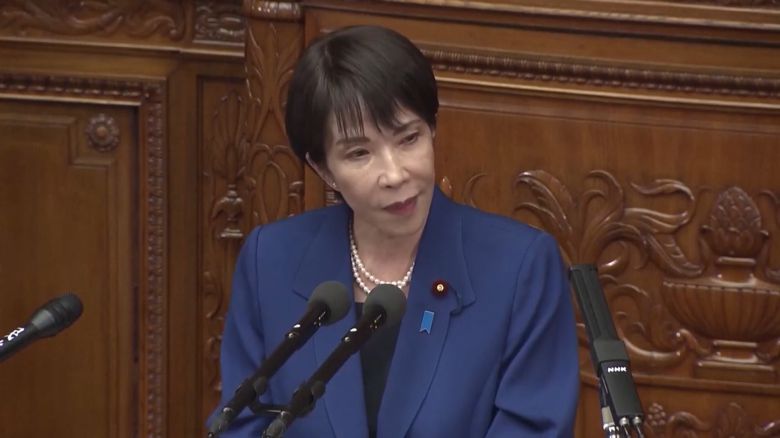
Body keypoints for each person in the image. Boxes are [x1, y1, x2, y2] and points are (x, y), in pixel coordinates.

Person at [214, 25, 579, 438]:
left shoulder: (518, 267)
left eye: (408, 139)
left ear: (432, 129)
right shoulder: (271, 259)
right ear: (323, 168)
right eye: (359, 153)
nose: (394, 174)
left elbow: (534, 428)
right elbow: (240, 423)